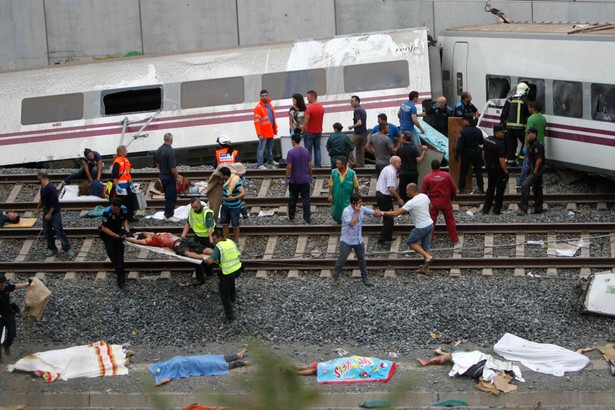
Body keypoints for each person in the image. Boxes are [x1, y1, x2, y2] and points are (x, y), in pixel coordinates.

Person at [383, 183, 434, 274]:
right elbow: (431, 206)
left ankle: (428, 256)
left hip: (421, 227)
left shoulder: (411, 202)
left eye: (407, 190)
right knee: (426, 247)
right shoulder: (424, 196)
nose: (406, 192)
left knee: (410, 242)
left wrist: (383, 213)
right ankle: (426, 269)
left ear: (411, 190)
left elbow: (396, 213)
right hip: (430, 224)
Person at [331, 194, 382, 287]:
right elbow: (351, 223)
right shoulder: (346, 211)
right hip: (347, 240)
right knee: (342, 259)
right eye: (359, 203)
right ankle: (334, 277)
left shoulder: (362, 208)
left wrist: (383, 213)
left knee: (361, 259)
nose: (361, 204)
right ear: (354, 204)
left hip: (358, 240)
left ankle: (365, 277)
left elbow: (373, 212)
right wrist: (357, 213)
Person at [151, 349, 250, 386]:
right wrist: (158, 384)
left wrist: (157, 383)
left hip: (196, 360)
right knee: (216, 365)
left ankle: (237, 356)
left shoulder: (167, 365)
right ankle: (242, 362)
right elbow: (166, 379)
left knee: (215, 359)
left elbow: (162, 374)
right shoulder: (170, 371)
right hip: (197, 365)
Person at [203, 229, 243, 322]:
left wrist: (205, 259)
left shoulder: (219, 247)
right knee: (231, 282)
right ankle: (233, 298)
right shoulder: (230, 241)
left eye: (214, 239)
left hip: (227, 272)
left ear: (219, 237)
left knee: (224, 294)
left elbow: (210, 261)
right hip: (237, 268)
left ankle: (229, 317)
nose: (213, 242)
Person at [36, 171, 74, 258]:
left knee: (59, 231)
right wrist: (38, 208)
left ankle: (67, 249)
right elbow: (42, 199)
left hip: (54, 214)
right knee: (47, 231)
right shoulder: (43, 187)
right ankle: (52, 248)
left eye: (38, 177)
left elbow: (55, 202)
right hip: (46, 213)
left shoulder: (51, 188)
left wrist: (50, 213)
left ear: (41, 177)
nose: (37, 178)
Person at [421, 159, 459, 245]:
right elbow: (453, 188)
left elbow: (423, 192)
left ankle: (429, 241)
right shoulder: (446, 175)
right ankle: (454, 239)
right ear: (440, 166)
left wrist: (426, 202)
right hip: (445, 200)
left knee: (431, 221)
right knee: (450, 220)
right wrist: (452, 197)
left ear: (431, 167)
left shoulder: (427, 177)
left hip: (433, 202)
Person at [181, 197, 216, 285]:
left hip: (207, 237)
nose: (194, 209)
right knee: (197, 258)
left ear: (200, 204)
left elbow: (209, 227)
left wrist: (211, 239)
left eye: (196, 207)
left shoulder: (206, 212)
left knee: (208, 257)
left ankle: (209, 272)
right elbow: (188, 224)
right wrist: (182, 236)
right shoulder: (192, 211)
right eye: (193, 207)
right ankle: (200, 279)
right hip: (197, 237)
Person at [214, 135, 248, 219]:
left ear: (220, 144)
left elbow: (215, 166)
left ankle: (227, 213)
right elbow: (240, 165)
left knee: (226, 195)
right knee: (240, 195)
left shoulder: (218, 153)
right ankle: (244, 213)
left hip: (224, 178)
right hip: (235, 178)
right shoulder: (235, 152)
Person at [99, 198, 130, 289]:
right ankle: (118, 269)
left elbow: (124, 220)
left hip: (117, 231)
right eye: (113, 208)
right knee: (113, 255)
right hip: (107, 234)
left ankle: (121, 280)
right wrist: (115, 236)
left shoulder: (124, 209)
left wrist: (126, 230)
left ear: (119, 208)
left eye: (116, 209)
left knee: (120, 258)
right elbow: (104, 228)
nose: (114, 210)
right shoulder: (107, 212)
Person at [0, 274, 32, 358]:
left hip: (8, 314)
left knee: (12, 333)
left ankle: (6, 345)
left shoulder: (6, 287)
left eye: (3, 285)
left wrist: (27, 284)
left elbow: (16, 286)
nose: (2, 287)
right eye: (1, 286)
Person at [517, 101, 547, 188]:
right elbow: (544, 130)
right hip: (541, 143)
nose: (528, 109)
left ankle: (522, 182)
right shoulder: (543, 118)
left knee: (526, 164)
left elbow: (528, 134)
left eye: (529, 107)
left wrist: (526, 146)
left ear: (533, 108)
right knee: (539, 164)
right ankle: (537, 182)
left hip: (532, 145)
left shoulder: (531, 119)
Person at [375, 156, 404, 246]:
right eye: (399, 162)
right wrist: (398, 199)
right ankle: (383, 239)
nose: (400, 164)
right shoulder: (391, 172)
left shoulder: (387, 168)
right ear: (395, 163)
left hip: (382, 195)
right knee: (388, 217)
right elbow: (391, 188)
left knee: (389, 217)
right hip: (383, 196)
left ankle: (388, 236)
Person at [154, 133, 183, 222]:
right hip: (169, 176)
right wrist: (177, 176)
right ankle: (169, 215)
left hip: (162, 175)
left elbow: (157, 163)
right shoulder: (170, 151)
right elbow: (172, 168)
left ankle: (167, 214)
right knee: (171, 196)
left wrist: (161, 170)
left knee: (167, 196)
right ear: (171, 140)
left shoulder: (159, 149)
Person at [127, 231, 212, 261]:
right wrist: (126, 238)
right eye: (146, 233)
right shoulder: (149, 240)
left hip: (179, 241)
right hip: (177, 242)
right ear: (145, 235)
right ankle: (206, 257)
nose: (148, 232)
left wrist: (136, 233)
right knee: (190, 251)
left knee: (196, 250)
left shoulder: (153, 235)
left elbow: (141, 234)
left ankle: (210, 255)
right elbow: (136, 241)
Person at [501, 82, 530, 165]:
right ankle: (521, 159)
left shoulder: (510, 99)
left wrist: (504, 125)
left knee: (511, 145)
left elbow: (504, 114)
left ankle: (511, 162)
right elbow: (529, 112)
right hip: (520, 127)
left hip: (509, 127)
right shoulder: (525, 100)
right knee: (526, 142)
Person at [285, 134, 313, 223]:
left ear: (293, 141)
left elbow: (289, 167)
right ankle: (307, 217)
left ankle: (292, 216)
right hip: (305, 180)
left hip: (294, 180)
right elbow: (310, 165)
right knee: (306, 199)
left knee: (293, 199)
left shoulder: (291, 152)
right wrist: (310, 176)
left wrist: (286, 178)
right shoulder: (306, 151)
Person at [482, 124, 509, 215]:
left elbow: (483, 152)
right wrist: (506, 172)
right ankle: (497, 210)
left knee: (490, 188)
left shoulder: (487, 140)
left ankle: (486, 209)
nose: (504, 134)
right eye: (503, 132)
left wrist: (486, 163)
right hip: (498, 169)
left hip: (490, 167)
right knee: (500, 189)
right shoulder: (499, 144)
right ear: (498, 132)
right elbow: (501, 159)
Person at [518, 127, 545, 215]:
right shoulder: (532, 143)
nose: (527, 135)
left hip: (536, 170)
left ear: (534, 134)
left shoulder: (536, 144)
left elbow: (539, 159)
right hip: (534, 170)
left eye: (529, 133)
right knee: (537, 189)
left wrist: (535, 171)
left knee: (525, 186)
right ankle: (538, 209)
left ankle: (524, 209)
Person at [456, 114, 484, 194]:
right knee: (478, 171)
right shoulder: (478, 130)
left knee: (463, 172)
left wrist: (457, 155)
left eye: (464, 120)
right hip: (476, 152)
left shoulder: (463, 131)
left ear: (467, 120)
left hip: (466, 153)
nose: (463, 122)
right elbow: (481, 142)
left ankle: (461, 189)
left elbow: (460, 145)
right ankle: (481, 189)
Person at [397, 134, 427, 202]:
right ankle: (413, 205)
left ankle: (402, 207)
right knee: (413, 191)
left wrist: (398, 172)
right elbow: (419, 160)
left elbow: (398, 162)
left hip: (403, 173)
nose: (400, 140)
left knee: (402, 191)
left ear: (404, 140)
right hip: (412, 173)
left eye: (401, 139)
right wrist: (424, 151)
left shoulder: (399, 150)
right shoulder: (414, 149)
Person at [328, 156, 359, 224]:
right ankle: (340, 222)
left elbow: (356, 186)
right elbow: (331, 184)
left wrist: (356, 198)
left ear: (343, 165)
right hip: (336, 196)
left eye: (338, 164)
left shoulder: (352, 173)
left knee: (346, 213)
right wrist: (330, 194)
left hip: (347, 198)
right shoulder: (334, 172)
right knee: (335, 214)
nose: (336, 165)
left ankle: (345, 225)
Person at [219, 166, 246, 241]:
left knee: (235, 225)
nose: (219, 176)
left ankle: (236, 240)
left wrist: (233, 198)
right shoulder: (225, 180)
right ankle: (226, 239)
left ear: (225, 175)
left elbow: (243, 193)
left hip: (234, 207)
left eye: (221, 174)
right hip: (225, 205)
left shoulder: (235, 182)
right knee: (224, 224)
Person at [112, 145, 137, 222]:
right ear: (122, 152)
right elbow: (114, 175)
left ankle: (130, 217)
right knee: (122, 203)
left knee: (130, 201)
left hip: (127, 185)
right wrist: (117, 186)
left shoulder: (125, 160)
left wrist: (131, 183)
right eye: (126, 150)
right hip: (121, 186)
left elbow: (127, 174)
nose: (127, 152)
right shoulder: (117, 162)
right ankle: (123, 218)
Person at [254, 89, 278, 169]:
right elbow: (257, 122)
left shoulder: (269, 105)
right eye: (263, 96)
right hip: (264, 132)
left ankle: (270, 160)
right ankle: (260, 164)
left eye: (265, 96)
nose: (264, 97)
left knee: (269, 147)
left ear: (267, 96)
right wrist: (259, 133)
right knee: (261, 148)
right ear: (260, 96)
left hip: (270, 130)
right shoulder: (258, 107)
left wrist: (275, 128)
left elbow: (272, 118)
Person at [302, 90, 325, 168]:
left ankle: (309, 167)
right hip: (318, 131)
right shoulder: (321, 107)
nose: (307, 99)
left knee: (308, 151)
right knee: (317, 149)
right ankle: (318, 166)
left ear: (312, 97)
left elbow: (305, 122)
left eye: (308, 97)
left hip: (310, 132)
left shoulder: (310, 108)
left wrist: (302, 131)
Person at [347, 95, 367, 168]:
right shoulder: (362, 109)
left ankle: (352, 163)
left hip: (358, 133)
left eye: (352, 101)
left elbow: (359, 122)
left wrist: (351, 127)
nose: (351, 103)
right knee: (360, 149)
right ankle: (360, 165)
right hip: (364, 133)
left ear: (357, 101)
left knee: (347, 145)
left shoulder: (357, 110)